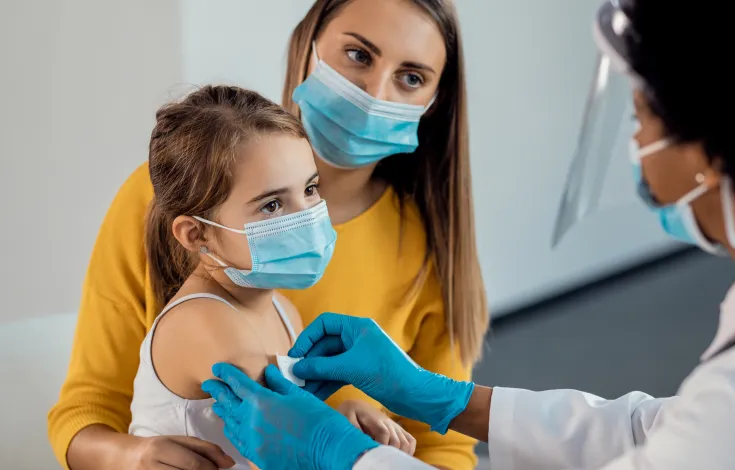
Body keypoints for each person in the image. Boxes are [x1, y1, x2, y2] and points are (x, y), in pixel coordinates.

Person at [201, 0, 735, 468]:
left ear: (713, 153)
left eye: (642, 118)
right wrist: (447, 398)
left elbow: (713, 433)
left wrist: (339, 456)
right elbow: (653, 429)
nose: (637, 144)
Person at [48, 1, 486, 469]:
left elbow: (442, 447)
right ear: (306, 46)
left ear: (435, 101)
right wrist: (128, 456)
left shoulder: (424, 251)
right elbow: (90, 406)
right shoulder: (163, 198)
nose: (375, 93)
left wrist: (345, 422)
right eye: (359, 55)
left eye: (412, 77)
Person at [128, 85, 416, 470]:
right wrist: (346, 439)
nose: (307, 217)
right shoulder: (201, 323)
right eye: (273, 204)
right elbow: (297, 444)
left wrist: (346, 414)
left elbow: (306, 432)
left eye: (310, 189)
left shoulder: (282, 309)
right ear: (197, 234)